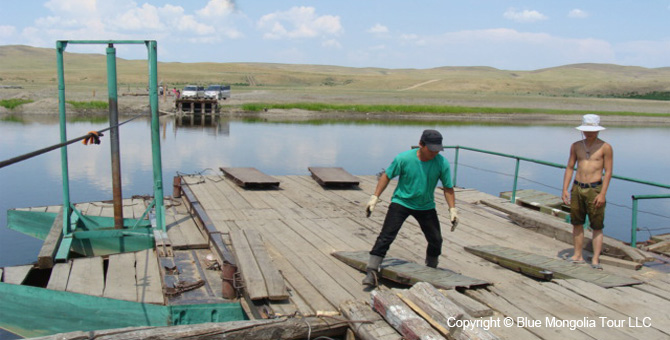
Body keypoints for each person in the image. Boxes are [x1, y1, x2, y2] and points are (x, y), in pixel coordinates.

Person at [363, 129, 458, 287]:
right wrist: (375, 197)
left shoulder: (442, 163)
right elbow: (387, 176)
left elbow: (448, 188)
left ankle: (431, 268)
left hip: (426, 205)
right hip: (402, 202)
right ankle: (371, 270)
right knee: (386, 236)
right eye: (431, 149)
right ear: (421, 144)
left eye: (438, 149)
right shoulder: (404, 158)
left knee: (436, 240)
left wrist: (452, 209)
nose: (435, 153)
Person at [562, 114, 613, 270]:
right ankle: (577, 255)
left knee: (596, 225)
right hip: (578, 187)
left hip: (595, 188)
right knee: (577, 222)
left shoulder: (605, 147)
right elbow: (570, 167)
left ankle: (596, 259)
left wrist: (602, 193)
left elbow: (609, 171)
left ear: (598, 130)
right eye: (586, 130)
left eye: (592, 130)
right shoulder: (576, 146)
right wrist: (565, 189)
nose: (589, 133)